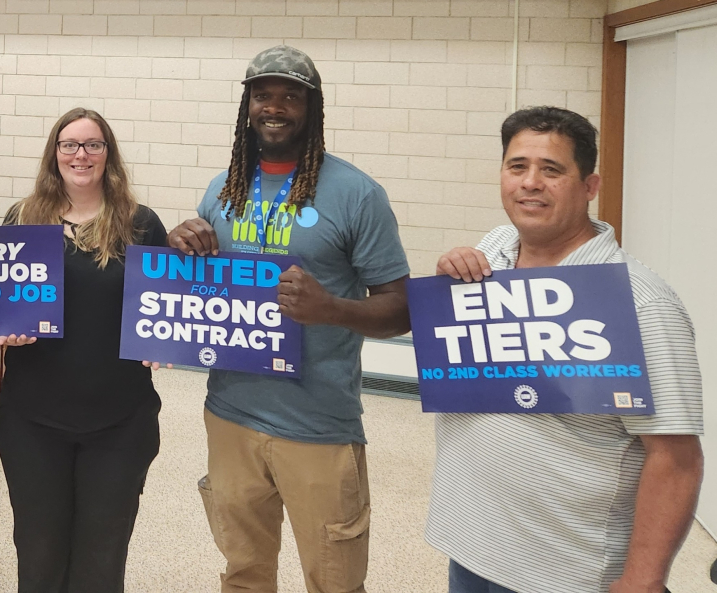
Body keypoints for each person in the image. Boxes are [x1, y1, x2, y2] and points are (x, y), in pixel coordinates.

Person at [426, 106, 704, 593]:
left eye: (552, 170)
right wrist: (453, 267)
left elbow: (676, 458)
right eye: (518, 167)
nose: (530, 182)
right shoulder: (492, 252)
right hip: (470, 547)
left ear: (590, 187)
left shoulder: (642, 303)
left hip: (565, 570)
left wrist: (644, 579)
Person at [168, 45, 411, 593]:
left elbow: (401, 305)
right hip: (229, 415)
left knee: (334, 581)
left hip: (318, 424)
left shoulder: (357, 194)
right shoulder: (221, 189)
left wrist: (331, 308)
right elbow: (196, 290)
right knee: (243, 574)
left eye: (290, 95)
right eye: (262, 94)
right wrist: (175, 244)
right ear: (247, 106)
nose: (274, 106)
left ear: (313, 107)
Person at [0, 108, 167, 593]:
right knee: (39, 554)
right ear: (55, 154)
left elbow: (164, 305)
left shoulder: (141, 225)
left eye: (93, 144)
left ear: (108, 154)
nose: (81, 154)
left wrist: (165, 339)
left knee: (101, 559)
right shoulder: (22, 220)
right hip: (33, 421)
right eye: (69, 144)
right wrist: (5, 328)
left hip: (119, 421)